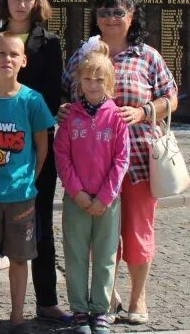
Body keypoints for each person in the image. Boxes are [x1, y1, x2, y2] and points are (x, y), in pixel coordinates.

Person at [60, 0, 178, 325]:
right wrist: (63, 109)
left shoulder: (147, 56)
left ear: (132, 16)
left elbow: (171, 97)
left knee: (138, 230)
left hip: (138, 160)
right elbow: (63, 94)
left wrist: (144, 112)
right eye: (104, 12)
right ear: (95, 18)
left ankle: (138, 299)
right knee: (98, 234)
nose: (111, 18)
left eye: (118, 11)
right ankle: (104, 298)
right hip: (91, 164)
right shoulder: (83, 55)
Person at [0, 0, 67, 322]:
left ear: (37, 1)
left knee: (38, 225)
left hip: (33, 152)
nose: (22, 4)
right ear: (5, 0)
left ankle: (45, 300)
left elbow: (53, 96)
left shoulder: (50, 43)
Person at [0, 33, 55, 334]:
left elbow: (42, 146)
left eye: (14, 54)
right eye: (0, 53)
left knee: (19, 259)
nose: (7, 59)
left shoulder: (32, 101)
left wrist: (28, 177)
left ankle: (18, 316)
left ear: (23, 61)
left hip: (20, 195)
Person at [54, 40, 130, 334]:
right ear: (79, 82)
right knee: (74, 255)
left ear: (109, 82)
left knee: (105, 255)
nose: (93, 84)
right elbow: (63, 156)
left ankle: (100, 309)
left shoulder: (117, 118)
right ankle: (79, 309)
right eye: (88, 79)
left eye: (100, 79)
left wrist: (106, 196)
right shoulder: (71, 116)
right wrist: (78, 193)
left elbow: (121, 159)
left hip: (108, 201)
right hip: (77, 199)